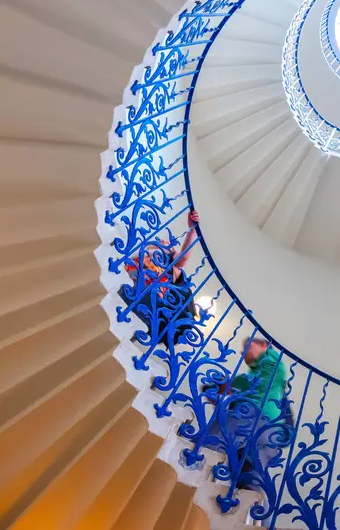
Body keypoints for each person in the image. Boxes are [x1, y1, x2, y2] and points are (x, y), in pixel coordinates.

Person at [204, 337, 291, 492]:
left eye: (247, 346)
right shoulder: (269, 372)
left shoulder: (272, 363)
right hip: (270, 434)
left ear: (264, 345)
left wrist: (223, 386)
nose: (242, 352)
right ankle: (255, 513)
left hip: (250, 416)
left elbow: (248, 383)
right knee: (251, 479)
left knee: (209, 445)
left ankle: (189, 463)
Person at [119, 210, 200, 349]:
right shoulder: (141, 254)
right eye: (161, 242)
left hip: (145, 302)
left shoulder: (170, 264)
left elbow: (184, 257)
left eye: (168, 244)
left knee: (122, 334)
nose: (164, 242)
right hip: (126, 284)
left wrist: (192, 231)